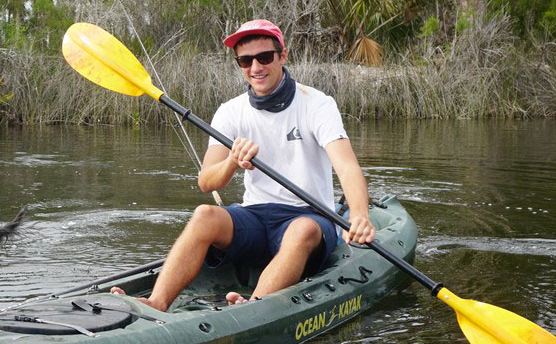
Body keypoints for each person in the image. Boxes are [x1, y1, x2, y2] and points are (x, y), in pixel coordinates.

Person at [113, 19, 375, 311]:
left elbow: (346, 166)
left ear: (282, 56)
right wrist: (231, 162)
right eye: (245, 60)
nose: (255, 68)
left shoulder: (317, 104)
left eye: (264, 57)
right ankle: (156, 302)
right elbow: (206, 182)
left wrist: (360, 216)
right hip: (256, 217)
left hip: (310, 219)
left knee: (301, 230)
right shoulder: (230, 111)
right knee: (205, 215)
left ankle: (252, 307)